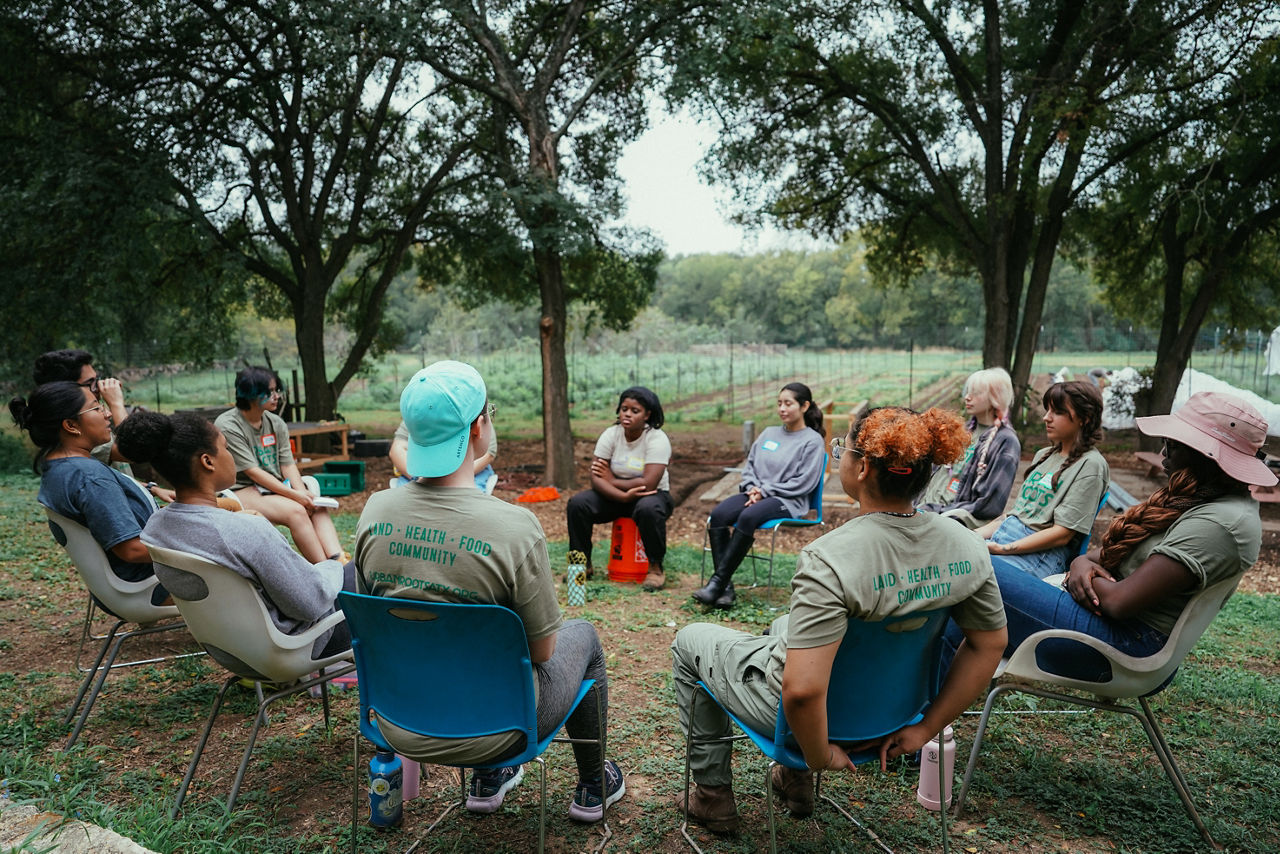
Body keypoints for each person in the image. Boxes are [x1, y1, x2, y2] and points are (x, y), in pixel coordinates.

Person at [672, 407, 1007, 832]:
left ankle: (713, 797)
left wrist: (817, 755)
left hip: (812, 724)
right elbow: (989, 644)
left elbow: (802, 691)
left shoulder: (829, 559)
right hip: (895, 715)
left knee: (689, 640)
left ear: (863, 467)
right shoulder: (966, 546)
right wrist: (924, 729)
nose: (839, 458)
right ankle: (793, 782)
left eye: (842, 450)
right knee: (782, 625)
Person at [355, 361, 625, 822]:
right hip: (498, 729)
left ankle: (488, 778)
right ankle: (593, 783)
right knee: (585, 638)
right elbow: (542, 651)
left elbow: (377, 624)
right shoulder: (514, 527)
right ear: (479, 427)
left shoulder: (373, 513)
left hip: (398, 720)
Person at [943, 391, 1274, 683]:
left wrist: (1081, 571)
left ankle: (924, 710)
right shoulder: (1201, 498)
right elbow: (1094, 558)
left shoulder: (1221, 522)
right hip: (1102, 626)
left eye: (1174, 445)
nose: (1163, 454)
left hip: (1122, 647)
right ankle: (928, 706)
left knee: (970, 563)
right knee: (969, 584)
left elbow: (1117, 602)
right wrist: (1080, 565)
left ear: (1207, 456)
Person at [118, 411, 352, 660]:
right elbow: (311, 604)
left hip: (230, 651)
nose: (231, 457)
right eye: (226, 448)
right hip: (297, 646)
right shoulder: (246, 531)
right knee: (365, 569)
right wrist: (331, 566)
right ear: (208, 461)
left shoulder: (156, 528)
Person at [9, 381, 167, 606]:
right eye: (97, 408)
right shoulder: (89, 477)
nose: (108, 413)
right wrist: (190, 545)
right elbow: (131, 550)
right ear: (71, 425)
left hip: (122, 583)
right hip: (148, 585)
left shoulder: (59, 465)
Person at [693, 382, 825, 609]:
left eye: (788, 404)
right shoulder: (769, 433)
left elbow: (804, 482)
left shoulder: (812, 441)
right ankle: (725, 589)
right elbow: (750, 466)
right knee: (719, 514)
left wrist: (765, 491)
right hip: (756, 493)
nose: (782, 409)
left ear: (804, 406)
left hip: (788, 500)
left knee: (747, 517)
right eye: (779, 404)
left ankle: (716, 583)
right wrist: (753, 488)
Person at [973, 380, 1109, 579]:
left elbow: (1062, 534)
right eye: (1047, 410)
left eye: (1058, 412)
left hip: (1041, 555)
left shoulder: (1091, 465)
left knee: (972, 576)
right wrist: (972, 535)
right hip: (1006, 536)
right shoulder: (1044, 455)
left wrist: (1004, 549)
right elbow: (1015, 516)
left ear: (1085, 418)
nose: (1046, 418)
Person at [214, 366, 342, 564]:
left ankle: (339, 560)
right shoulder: (228, 425)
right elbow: (253, 472)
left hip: (273, 487)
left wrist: (304, 494)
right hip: (242, 488)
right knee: (297, 511)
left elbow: (287, 464)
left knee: (314, 505)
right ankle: (324, 571)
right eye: (269, 392)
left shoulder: (276, 423)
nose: (276, 396)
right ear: (250, 394)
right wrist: (295, 497)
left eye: (276, 390)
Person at [565, 386, 673, 591]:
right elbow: (596, 479)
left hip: (651, 495)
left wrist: (611, 479)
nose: (627, 414)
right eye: (624, 409)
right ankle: (581, 565)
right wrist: (622, 496)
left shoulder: (657, 439)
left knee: (648, 509)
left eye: (635, 411)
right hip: (614, 498)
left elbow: (648, 483)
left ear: (647, 414)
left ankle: (656, 568)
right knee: (578, 504)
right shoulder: (611, 434)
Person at [919, 368, 1022, 528]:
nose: (967, 397)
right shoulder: (963, 430)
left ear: (995, 397)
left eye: (976, 393)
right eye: (968, 392)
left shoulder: (1006, 442)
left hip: (953, 521)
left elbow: (988, 506)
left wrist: (935, 511)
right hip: (926, 512)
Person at [389, 415, 498, 492]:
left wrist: (447, 478)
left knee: (469, 503)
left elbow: (489, 453)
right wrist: (418, 476)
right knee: (404, 502)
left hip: (472, 472)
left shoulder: (474, 412)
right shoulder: (419, 412)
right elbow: (397, 449)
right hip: (420, 472)